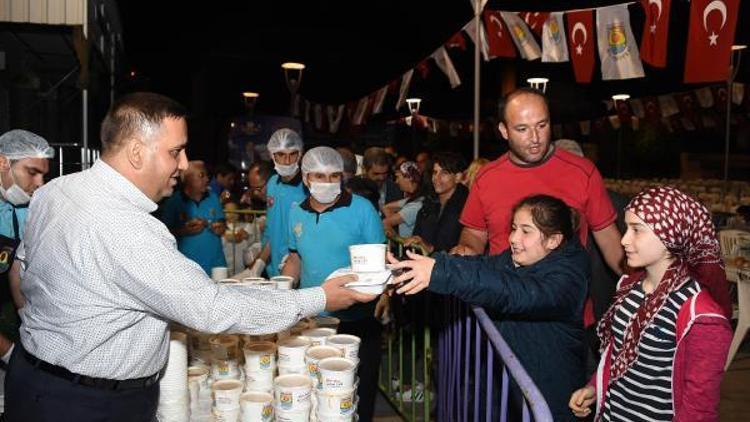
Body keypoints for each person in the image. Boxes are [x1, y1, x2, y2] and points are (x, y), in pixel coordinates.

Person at [5, 92, 375, 422]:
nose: (183, 165)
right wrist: (321, 298)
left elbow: (21, 272)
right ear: (136, 152)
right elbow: (212, 310)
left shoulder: (56, 191)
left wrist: (45, 333)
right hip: (88, 403)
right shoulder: (126, 228)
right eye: (175, 151)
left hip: (33, 377)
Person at [388, 194, 590, 421]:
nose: (513, 238)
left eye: (526, 231)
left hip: (552, 399)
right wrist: (429, 265)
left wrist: (440, 274)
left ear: (554, 240)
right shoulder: (525, 257)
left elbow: (515, 292)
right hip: (517, 392)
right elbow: (485, 265)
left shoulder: (568, 276)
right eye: (513, 228)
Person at [453, 88, 624, 319]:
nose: (535, 138)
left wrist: (643, 284)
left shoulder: (583, 172)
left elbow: (610, 241)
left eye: (542, 125)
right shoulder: (487, 177)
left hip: (566, 316)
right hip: (504, 312)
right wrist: (467, 250)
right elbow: (474, 233)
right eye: (522, 129)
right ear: (504, 130)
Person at [569, 186, 732, 421]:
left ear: (672, 235)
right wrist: (595, 387)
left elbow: (698, 410)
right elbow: (617, 354)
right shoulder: (628, 286)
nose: (624, 240)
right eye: (627, 228)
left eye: (637, 230)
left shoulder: (702, 317)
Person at [281, 146, 386, 422]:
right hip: (313, 320)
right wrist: (280, 291)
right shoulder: (296, 213)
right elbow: (295, 259)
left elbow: (379, 259)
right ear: (305, 178)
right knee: (316, 399)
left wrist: (384, 293)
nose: (328, 183)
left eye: (334, 176)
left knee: (355, 398)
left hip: (357, 319)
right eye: (319, 176)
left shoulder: (362, 209)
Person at [0, 129, 53, 412]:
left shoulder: (24, 209)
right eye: (32, 172)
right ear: (2, 163)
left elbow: (15, 267)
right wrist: (8, 352)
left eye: (43, 174)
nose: (39, 183)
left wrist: (26, 318)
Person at [160, 160, 227, 275]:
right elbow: (163, 233)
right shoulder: (174, 202)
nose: (206, 179)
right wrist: (184, 230)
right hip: (187, 268)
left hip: (216, 265)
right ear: (186, 178)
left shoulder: (213, 198)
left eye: (207, 175)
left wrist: (220, 228)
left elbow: (222, 223)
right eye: (201, 175)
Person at [258, 128, 306, 277]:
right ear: (272, 156)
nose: (287, 161)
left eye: (292, 154)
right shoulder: (273, 183)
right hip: (272, 265)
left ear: (300, 154)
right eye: (281, 155)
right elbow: (272, 227)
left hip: (298, 266)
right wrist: (260, 261)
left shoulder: (307, 187)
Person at [405, 152, 468, 254]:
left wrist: (430, 248)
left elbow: (462, 248)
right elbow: (417, 235)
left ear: (458, 177)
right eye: (435, 172)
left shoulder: (466, 206)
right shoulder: (429, 204)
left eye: (444, 173)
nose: (436, 178)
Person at [381, 161, 424, 238]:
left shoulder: (416, 205)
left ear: (408, 177)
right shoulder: (413, 199)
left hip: (408, 248)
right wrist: (395, 222)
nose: (396, 181)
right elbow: (386, 207)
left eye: (398, 177)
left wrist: (398, 240)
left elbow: (385, 222)